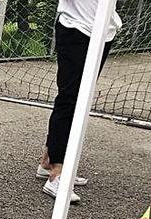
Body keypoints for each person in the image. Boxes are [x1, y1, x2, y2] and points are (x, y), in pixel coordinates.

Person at [38, 0, 122, 204]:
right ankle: (57, 173)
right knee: (70, 99)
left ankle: (48, 162)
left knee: (78, 98)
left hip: (102, 30)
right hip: (77, 29)